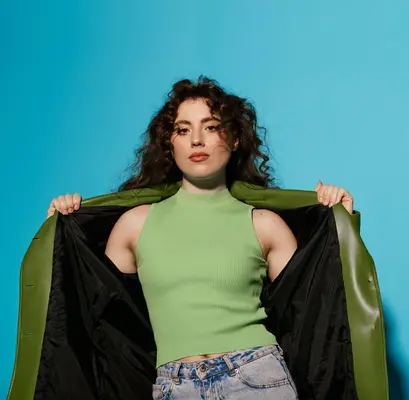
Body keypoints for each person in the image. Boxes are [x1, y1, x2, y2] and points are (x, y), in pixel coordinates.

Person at [46, 76, 355, 399]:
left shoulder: (264, 224)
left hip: (257, 377)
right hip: (173, 386)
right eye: (183, 129)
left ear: (235, 139)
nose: (196, 140)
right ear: (170, 142)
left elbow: (315, 315)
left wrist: (337, 223)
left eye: (211, 127)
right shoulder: (134, 225)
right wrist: (62, 231)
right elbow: (99, 318)